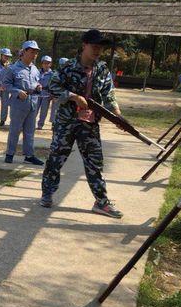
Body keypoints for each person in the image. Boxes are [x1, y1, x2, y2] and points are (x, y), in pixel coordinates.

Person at [40, 29, 124, 218]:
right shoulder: (68, 67)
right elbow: (53, 87)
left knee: (95, 161)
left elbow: (109, 93)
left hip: (90, 124)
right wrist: (73, 96)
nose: (97, 50)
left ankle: (101, 202)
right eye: (94, 46)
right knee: (56, 158)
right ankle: (47, 193)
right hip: (66, 122)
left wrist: (117, 114)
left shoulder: (102, 69)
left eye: (100, 47)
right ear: (84, 45)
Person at [2, 41, 44, 166]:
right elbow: (5, 85)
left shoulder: (35, 69)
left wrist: (38, 86)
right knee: (15, 129)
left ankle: (29, 155)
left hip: (32, 102)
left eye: (36, 52)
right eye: (32, 52)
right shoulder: (13, 68)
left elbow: (36, 82)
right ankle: (10, 154)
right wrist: (17, 91)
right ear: (24, 52)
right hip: (19, 103)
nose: (34, 55)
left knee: (30, 131)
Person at [37, 56, 55, 130]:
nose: (46, 64)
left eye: (48, 63)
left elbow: (54, 85)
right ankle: (30, 124)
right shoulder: (37, 72)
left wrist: (52, 94)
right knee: (34, 110)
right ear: (42, 64)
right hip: (37, 94)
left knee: (43, 111)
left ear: (50, 64)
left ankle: (40, 125)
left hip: (46, 94)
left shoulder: (52, 74)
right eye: (44, 63)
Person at [0, 48, 13, 126]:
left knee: (5, 104)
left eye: (8, 56)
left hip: (5, 88)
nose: (6, 58)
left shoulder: (11, 66)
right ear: (1, 56)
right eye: (5, 56)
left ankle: (3, 120)